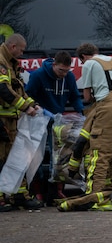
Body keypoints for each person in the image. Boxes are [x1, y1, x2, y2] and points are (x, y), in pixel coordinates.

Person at [74, 42, 112, 198]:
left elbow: (87, 96)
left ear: (83, 57)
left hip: (107, 107)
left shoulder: (89, 64)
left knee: (100, 151)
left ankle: (94, 193)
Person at [26, 51, 87, 196]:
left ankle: (57, 191)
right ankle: (38, 192)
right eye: (61, 70)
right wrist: (40, 109)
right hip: (38, 121)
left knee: (59, 158)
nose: (63, 74)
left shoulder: (69, 77)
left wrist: (81, 113)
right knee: (36, 157)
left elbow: (74, 97)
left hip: (57, 122)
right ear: (54, 65)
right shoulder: (38, 75)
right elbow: (28, 96)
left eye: (67, 71)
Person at [0, 33, 43, 211]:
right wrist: (26, 107)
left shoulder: (11, 63)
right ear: (13, 47)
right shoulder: (2, 63)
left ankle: (18, 195)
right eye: (22, 50)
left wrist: (32, 103)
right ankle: (3, 197)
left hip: (11, 120)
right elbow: (3, 90)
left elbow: (17, 87)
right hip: (2, 120)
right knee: (2, 157)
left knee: (16, 157)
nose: (23, 54)